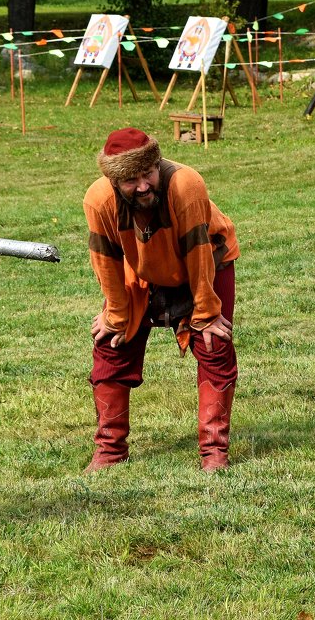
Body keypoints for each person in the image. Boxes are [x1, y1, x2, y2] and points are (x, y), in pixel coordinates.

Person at [83, 128, 240, 472]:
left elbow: (198, 252)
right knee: (111, 343)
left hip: (203, 264)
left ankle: (214, 452)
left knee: (214, 343)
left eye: (148, 173)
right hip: (140, 269)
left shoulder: (186, 185)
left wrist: (207, 311)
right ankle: (110, 450)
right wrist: (116, 314)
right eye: (130, 180)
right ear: (112, 179)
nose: (142, 186)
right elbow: (106, 260)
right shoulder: (98, 200)